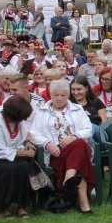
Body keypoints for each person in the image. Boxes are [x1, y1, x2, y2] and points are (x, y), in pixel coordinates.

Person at [30, 80, 95, 214]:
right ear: (50, 95)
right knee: (80, 154)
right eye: (55, 95)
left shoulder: (77, 109)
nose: (59, 98)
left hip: (77, 146)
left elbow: (89, 129)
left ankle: (68, 179)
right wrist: (47, 144)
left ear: (68, 95)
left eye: (63, 95)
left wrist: (74, 136)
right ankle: (83, 204)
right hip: (56, 152)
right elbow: (34, 133)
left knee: (80, 143)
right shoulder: (42, 111)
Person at [70, 76, 106, 150]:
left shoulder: (96, 102)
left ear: (86, 88)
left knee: (90, 127)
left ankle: (89, 156)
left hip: (99, 134)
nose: (76, 92)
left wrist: (90, 117)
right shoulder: (69, 104)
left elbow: (104, 123)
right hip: (77, 135)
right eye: (73, 89)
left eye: (79, 89)